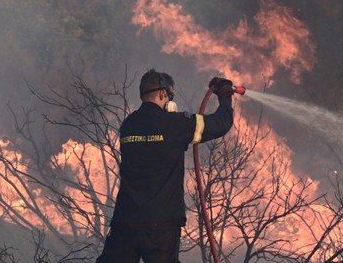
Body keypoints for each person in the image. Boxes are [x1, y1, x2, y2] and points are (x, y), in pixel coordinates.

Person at [96, 69, 237, 263]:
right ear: (164, 94)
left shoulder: (128, 125)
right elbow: (221, 123)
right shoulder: (175, 124)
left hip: (126, 220)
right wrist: (225, 95)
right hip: (161, 224)